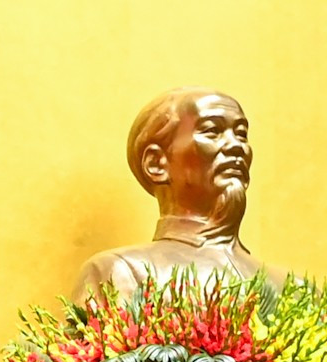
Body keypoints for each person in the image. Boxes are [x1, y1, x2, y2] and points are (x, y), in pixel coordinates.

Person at [76, 88, 286, 302]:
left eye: (241, 134)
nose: (236, 146)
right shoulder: (122, 274)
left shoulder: (294, 289)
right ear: (156, 163)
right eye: (212, 131)